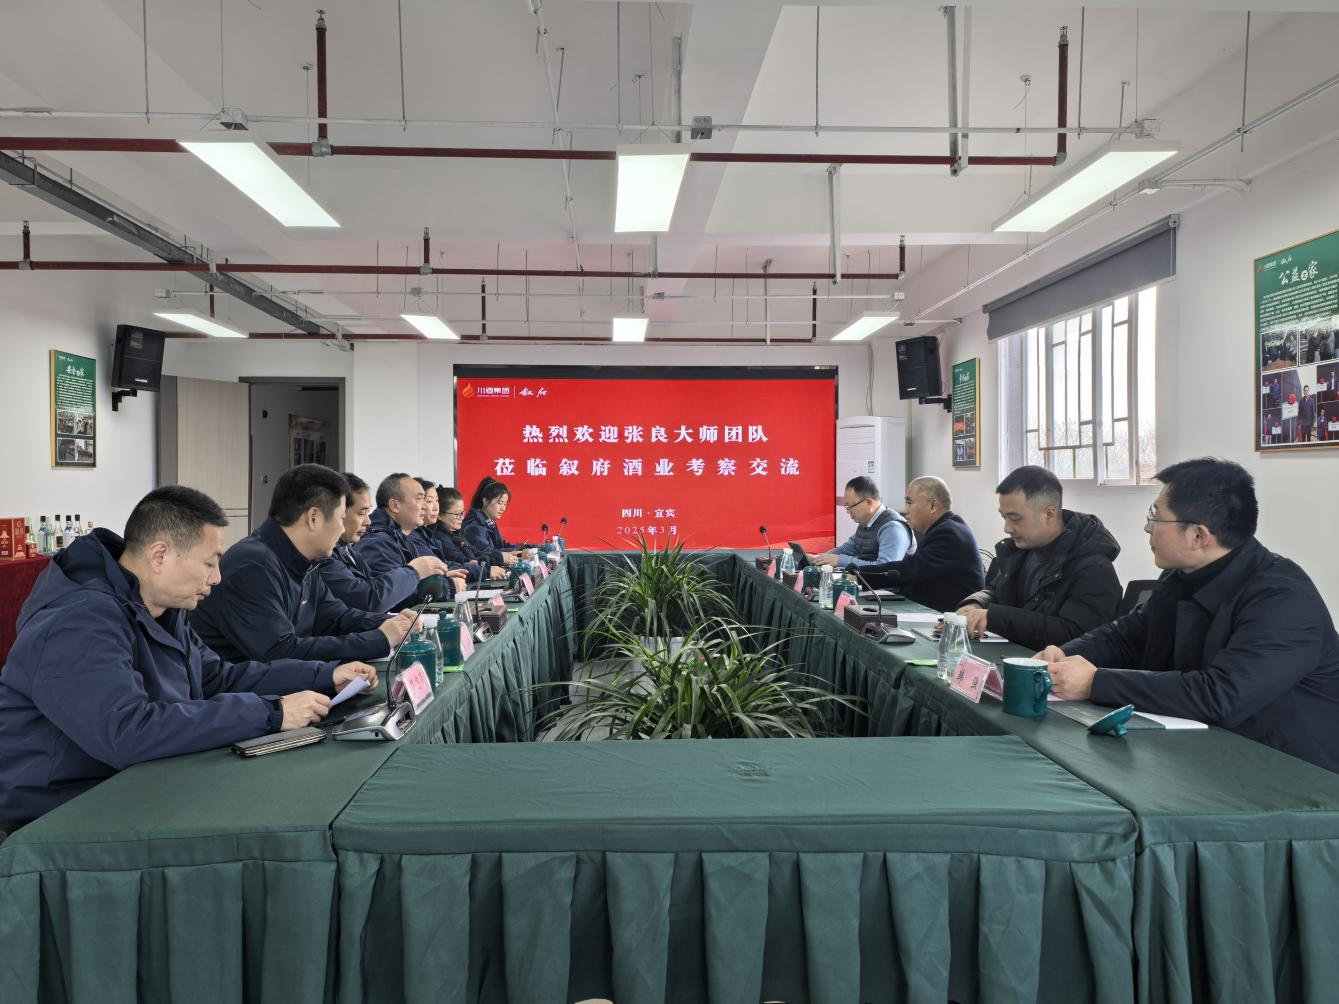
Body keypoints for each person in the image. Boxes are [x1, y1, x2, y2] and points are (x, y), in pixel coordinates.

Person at [0, 486, 378, 827]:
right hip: (59, 813)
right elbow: (127, 733)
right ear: (160, 555)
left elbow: (216, 678)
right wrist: (271, 713)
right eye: (209, 563)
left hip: (138, 782)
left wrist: (324, 676)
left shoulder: (161, 606)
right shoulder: (78, 622)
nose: (217, 578)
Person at [1040, 458, 1339, 773]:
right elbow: (1126, 636)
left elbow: (1219, 696)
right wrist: (1061, 657)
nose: (1147, 527)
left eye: (1155, 516)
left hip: (1293, 773)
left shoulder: (1283, 598)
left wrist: (1095, 682)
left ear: (1199, 535)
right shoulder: (1182, 576)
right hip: (1205, 757)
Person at [193, 464, 416, 663]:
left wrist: (393, 622)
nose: (341, 528)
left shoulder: (305, 561)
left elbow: (336, 618)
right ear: (314, 518)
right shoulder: (253, 566)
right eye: (340, 518)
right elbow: (280, 651)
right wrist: (378, 639)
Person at [957, 465, 1121, 650]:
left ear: (1049, 514)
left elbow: (1074, 635)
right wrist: (976, 604)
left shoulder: (1094, 569)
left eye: (1015, 519)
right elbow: (997, 590)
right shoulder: (1022, 551)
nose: (1007, 528)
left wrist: (994, 617)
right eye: (1004, 517)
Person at [320, 472, 453, 612]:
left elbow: (349, 615)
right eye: (361, 513)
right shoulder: (375, 542)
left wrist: (386, 623)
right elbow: (371, 600)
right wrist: (414, 572)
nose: (368, 521)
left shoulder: (348, 550)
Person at [858, 476, 985, 612]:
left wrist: (859, 575)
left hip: (950, 617)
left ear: (933, 505)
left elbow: (911, 569)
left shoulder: (949, 534)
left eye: (909, 503)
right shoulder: (944, 528)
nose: (906, 510)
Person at [353, 473, 460, 607]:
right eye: (419, 499)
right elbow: (395, 595)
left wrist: (441, 578)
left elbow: (418, 578)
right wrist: (449, 586)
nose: (425, 506)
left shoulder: (404, 535)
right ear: (395, 506)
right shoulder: (377, 542)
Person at [810, 476, 916, 569]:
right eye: (846, 506)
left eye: (851, 506)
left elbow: (885, 568)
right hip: (867, 580)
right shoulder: (866, 522)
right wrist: (818, 558)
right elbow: (848, 548)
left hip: (887, 585)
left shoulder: (892, 528)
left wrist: (839, 560)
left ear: (869, 502)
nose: (848, 511)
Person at [423, 486, 506, 581]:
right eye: (457, 514)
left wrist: (499, 557)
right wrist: (486, 569)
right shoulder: (440, 538)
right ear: (440, 515)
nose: (462, 517)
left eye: (463, 513)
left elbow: (475, 554)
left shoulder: (456, 534)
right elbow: (461, 561)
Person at [462, 477, 533, 568]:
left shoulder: (489, 522)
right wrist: (519, 554)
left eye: (505, 504)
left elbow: (501, 546)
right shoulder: (474, 527)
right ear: (485, 501)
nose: (503, 508)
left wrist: (528, 547)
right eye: (499, 503)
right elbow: (488, 554)